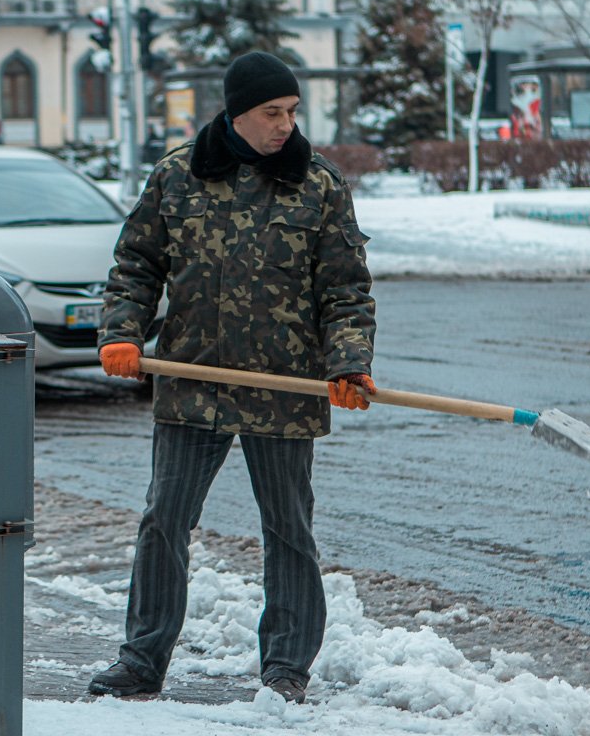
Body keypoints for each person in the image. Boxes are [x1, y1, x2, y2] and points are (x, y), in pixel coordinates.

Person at [90, 51, 377, 705]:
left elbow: (345, 291)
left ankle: (287, 666)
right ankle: (141, 659)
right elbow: (136, 265)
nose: (286, 125)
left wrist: (349, 362)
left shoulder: (318, 185)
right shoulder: (178, 177)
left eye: (292, 112)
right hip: (193, 382)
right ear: (238, 113)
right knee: (164, 518)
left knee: (288, 528)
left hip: (284, 387)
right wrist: (122, 333)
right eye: (273, 113)